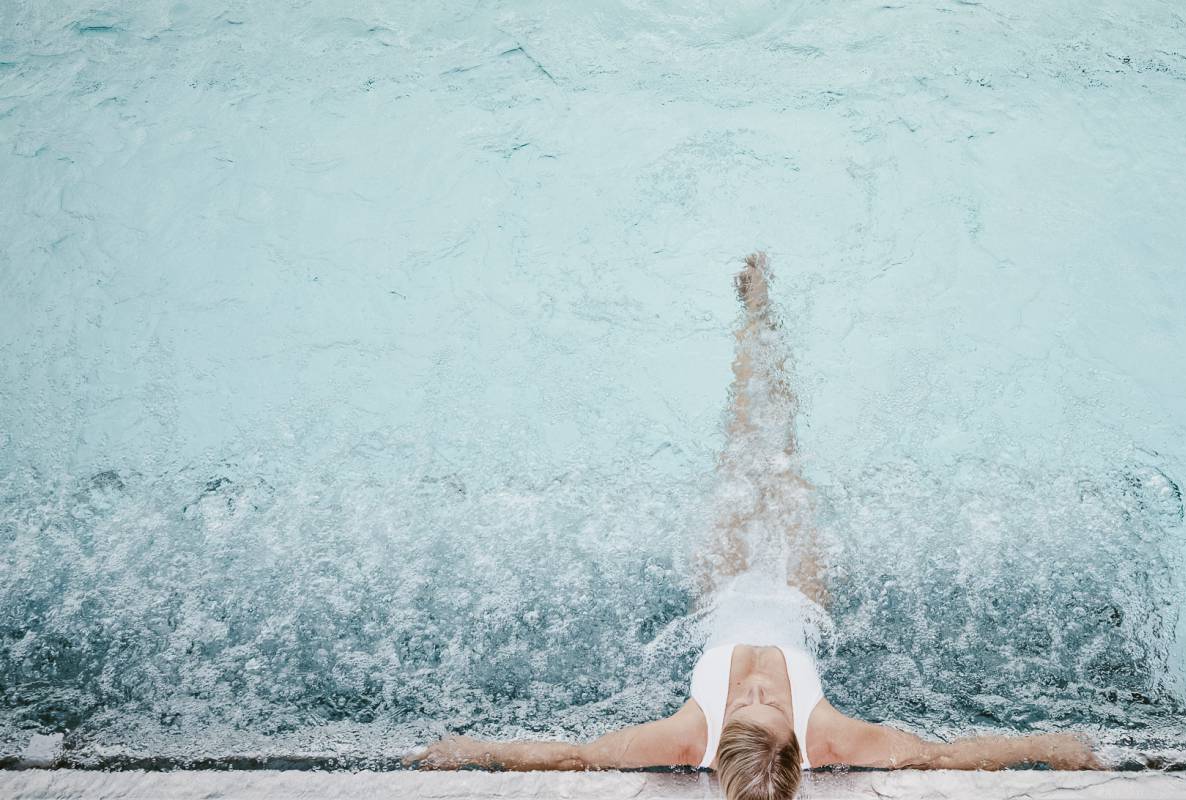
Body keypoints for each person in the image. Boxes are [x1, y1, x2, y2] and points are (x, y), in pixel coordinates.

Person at [404, 252, 1102, 796]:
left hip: (724, 588)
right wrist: (1046, 745)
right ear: (798, 744)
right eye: (765, 706)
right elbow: (939, 756)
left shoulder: (687, 738)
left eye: (748, 705)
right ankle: (765, 319)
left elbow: (574, 755)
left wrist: (470, 752)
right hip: (798, 590)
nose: (759, 691)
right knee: (782, 452)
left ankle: (751, 319)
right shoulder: (830, 736)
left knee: (743, 444)